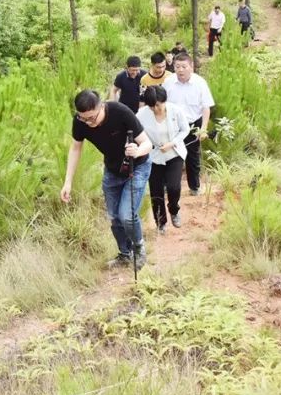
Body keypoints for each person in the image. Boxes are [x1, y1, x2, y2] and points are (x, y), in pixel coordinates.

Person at [60, 90, 153, 271]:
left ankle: (139, 248)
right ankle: (125, 254)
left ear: (101, 106)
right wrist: (68, 182)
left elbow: (147, 144)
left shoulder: (121, 112)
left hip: (137, 166)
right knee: (114, 217)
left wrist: (137, 150)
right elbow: (76, 149)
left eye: (92, 118)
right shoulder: (80, 122)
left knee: (127, 215)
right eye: (84, 119)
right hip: (112, 170)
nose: (89, 123)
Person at [136, 85, 190, 233]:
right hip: (153, 157)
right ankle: (160, 222)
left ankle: (174, 210)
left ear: (164, 101)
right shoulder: (141, 114)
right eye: (152, 107)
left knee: (174, 187)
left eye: (158, 105)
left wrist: (172, 143)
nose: (156, 109)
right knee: (156, 191)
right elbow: (136, 132)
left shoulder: (175, 111)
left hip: (174, 153)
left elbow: (185, 129)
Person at [165, 53, 215, 196]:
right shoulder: (168, 82)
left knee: (193, 156)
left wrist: (203, 129)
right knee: (170, 155)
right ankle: (168, 186)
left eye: (184, 67)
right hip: (173, 125)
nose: (180, 70)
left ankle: (194, 187)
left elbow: (206, 107)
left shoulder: (200, 83)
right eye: (177, 67)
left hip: (193, 124)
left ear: (191, 67)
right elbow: (162, 104)